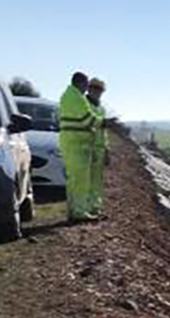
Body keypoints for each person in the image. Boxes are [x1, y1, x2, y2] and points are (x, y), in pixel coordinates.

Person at [58, 72, 100, 222]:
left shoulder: (69, 95)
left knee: (73, 179)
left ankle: (73, 211)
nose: (87, 89)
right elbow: (87, 120)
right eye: (86, 85)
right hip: (76, 143)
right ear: (80, 83)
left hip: (72, 142)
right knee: (80, 180)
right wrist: (105, 123)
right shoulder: (75, 98)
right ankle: (80, 213)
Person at [85, 78, 109, 216]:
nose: (97, 92)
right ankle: (85, 208)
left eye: (100, 90)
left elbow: (103, 131)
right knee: (86, 181)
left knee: (97, 182)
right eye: (94, 89)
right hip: (87, 148)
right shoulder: (84, 105)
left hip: (99, 148)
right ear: (89, 89)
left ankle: (95, 207)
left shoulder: (101, 108)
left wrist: (106, 149)